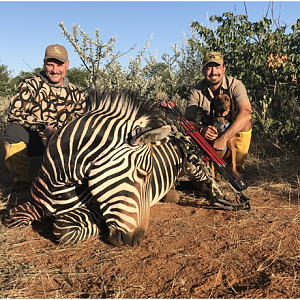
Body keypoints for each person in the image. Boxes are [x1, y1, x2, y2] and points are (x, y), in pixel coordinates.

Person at [3, 44, 88, 192]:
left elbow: (84, 122)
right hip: (35, 141)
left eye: (59, 65)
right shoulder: (30, 84)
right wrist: (43, 127)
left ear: (67, 65)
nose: (55, 70)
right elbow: (13, 113)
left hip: (62, 145)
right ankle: (22, 179)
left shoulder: (76, 93)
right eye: (50, 65)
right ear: (44, 64)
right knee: (13, 132)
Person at [184, 51, 252, 172]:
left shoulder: (235, 85)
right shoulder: (196, 91)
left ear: (224, 69)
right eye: (209, 68)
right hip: (208, 129)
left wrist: (224, 138)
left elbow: (246, 112)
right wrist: (201, 129)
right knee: (188, 133)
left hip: (229, 127)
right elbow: (187, 121)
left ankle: (238, 166)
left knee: (246, 122)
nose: (213, 72)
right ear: (203, 71)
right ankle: (204, 167)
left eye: (217, 67)